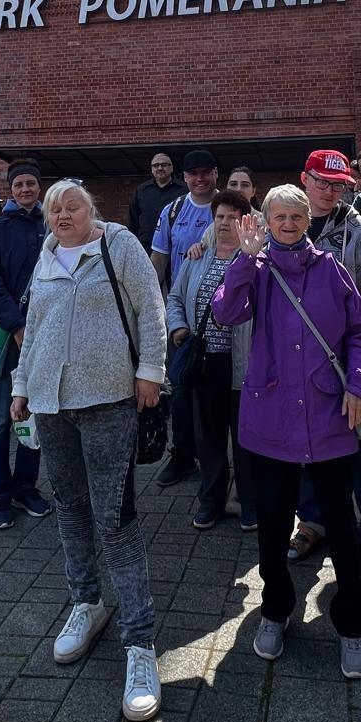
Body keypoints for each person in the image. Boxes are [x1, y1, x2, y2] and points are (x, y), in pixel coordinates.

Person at [11, 181, 166, 722]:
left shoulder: (117, 245)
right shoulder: (46, 257)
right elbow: (34, 329)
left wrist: (151, 372)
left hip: (109, 399)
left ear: (91, 210)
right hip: (52, 404)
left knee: (115, 518)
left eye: (71, 205)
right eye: (54, 208)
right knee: (71, 508)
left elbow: (150, 309)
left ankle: (139, 644)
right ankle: (86, 603)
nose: (61, 214)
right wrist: (21, 386)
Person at [212, 186, 361, 679]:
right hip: (271, 416)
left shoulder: (332, 269)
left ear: (309, 220)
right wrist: (244, 259)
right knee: (272, 523)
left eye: (296, 216)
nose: (287, 223)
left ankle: (352, 624)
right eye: (278, 216)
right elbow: (226, 312)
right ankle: (274, 608)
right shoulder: (256, 270)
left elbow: (360, 333)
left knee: (342, 528)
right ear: (265, 220)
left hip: (330, 412)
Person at [287, 148, 361, 595]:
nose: (330, 192)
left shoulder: (356, 231)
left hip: (343, 360)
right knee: (302, 447)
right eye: (322, 182)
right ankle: (312, 520)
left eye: (338, 185)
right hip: (294, 361)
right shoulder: (281, 219)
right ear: (304, 178)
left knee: (357, 449)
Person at [167, 189, 255, 530]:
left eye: (232, 217)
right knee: (209, 438)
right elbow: (175, 297)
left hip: (243, 362)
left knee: (246, 437)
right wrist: (178, 330)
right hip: (203, 361)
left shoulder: (254, 259)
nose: (224, 223)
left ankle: (250, 502)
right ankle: (211, 501)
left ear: (244, 221)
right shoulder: (196, 256)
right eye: (219, 216)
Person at [0, 160, 52, 529]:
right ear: (11, 189)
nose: (25, 190)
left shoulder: (50, 224)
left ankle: (26, 488)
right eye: (19, 184)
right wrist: (17, 325)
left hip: (46, 336)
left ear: (39, 188)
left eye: (31, 184)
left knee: (32, 415)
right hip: (11, 337)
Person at [151, 147, 218, 487]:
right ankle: (183, 455)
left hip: (224, 316)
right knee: (181, 389)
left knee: (220, 393)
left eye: (206, 172)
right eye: (193, 173)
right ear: (185, 177)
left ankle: (221, 461)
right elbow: (158, 260)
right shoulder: (173, 210)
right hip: (182, 316)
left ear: (216, 174)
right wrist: (148, 306)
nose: (200, 178)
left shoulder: (230, 209)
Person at [127, 153, 184, 250]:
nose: (160, 168)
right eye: (156, 165)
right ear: (152, 169)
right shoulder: (141, 190)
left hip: (175, 248)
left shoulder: (184, 190)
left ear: (172, 168)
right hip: (145, 249)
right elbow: (133, 222)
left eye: (164, 165)